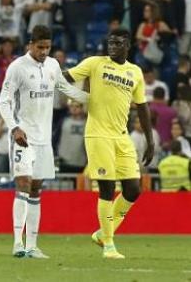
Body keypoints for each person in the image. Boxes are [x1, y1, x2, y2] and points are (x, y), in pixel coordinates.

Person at [64, 28, 155, 259]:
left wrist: (150, 139)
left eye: (118, 42)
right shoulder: (95, 63)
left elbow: (142, 107)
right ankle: (109, 246)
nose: (112, 46)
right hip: (98, 134)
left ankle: (103, 233)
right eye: (110, 42)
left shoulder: (135, 72)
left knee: (133, 190)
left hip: (122, 136)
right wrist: (48, 74)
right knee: (107, 188)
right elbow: (66, 77)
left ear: (128, 45)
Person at [0, 25, 88, 258]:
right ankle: (17, 243)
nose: (44, 51)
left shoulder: (52, 66)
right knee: (23, 184)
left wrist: (93, 98)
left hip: (44, 140)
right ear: (30, 45)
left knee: (36, 189)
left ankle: (32, 246)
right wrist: (14, 127)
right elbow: (4, 102)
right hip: (23, 136)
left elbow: (66, 89)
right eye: (40, 47)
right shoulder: (17, 67)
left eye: (48, 47)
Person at [57, 101, 87, 173]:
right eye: (72, 106)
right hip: (64, 161)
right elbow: (56, 137)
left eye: (77, 106)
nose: (74, 108)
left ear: (82, 108)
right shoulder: (63, 121)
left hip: (81, 162)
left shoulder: (87, 124)